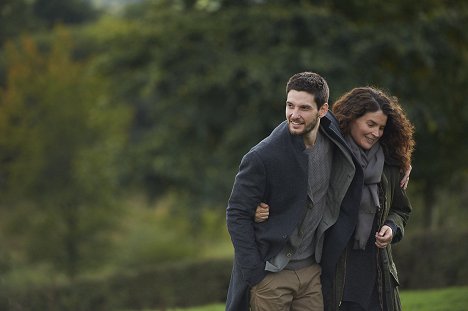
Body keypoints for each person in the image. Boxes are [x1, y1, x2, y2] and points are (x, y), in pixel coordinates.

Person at [226, 72, 361, 311]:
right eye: (290, 105)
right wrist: (255, 273)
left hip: (312, 273)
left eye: (304, 108)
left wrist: (403, 162)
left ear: (323, 110)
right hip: (271, 274)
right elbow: (236, 213)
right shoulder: (262, 156)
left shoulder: (333, 134)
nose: (294, 115)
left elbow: (373, 127)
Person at [320, 86, 415, 311]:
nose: (376, 133)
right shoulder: (329, 155)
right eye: (370, 124)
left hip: (379, 278)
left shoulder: (391, 164)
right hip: (337, 279)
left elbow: (401, 210)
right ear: (351, 119)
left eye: (381, 127)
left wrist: (392, 227)